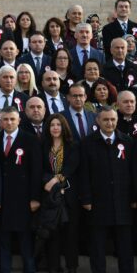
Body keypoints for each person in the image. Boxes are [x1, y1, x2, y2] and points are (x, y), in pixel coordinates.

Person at [80, 106, 136, 273]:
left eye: (112, 119)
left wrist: (134, 198)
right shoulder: (87, 143)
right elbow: (84, 174)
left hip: (122, 203)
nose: (109, 123)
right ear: (98, 121)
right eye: (105, 119)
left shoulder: (127, 142)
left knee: (125, 249)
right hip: (97, 204)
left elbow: (133, 172)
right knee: (97, 248)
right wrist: (86, 199)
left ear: (117, 120)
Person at [0, 106, 41, 273]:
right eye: (5, 119)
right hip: (1, 199)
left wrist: (35, 198)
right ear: (0, 121)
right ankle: (4, 269)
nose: (9, 122)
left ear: (19, 120)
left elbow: (36, 172)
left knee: (25, 240)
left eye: (12, 119)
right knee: (2, 239)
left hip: (23, 199)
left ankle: (30, 269)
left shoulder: (30, 140)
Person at [40, 113, 81, 273]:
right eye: (52, 125)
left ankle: (72, 267)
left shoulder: (73, 145)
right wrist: (49, 182)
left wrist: (55, 180)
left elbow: (71, 168)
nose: (55, 128)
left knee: (71, 235)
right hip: (51, 198)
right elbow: (41, 169)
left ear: (64, 127)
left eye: (58, 124)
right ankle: (53, 267)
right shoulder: (43, 145)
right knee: (53, 236)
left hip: (69, 197)